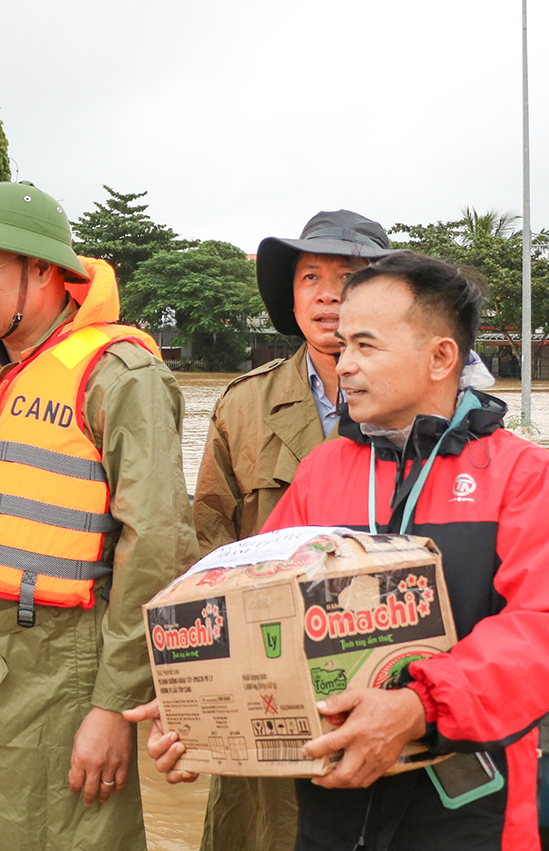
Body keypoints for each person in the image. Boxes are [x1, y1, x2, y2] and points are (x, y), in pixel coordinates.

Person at [134, 250, 549, 850]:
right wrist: (199, 704)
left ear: (440, 357)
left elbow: (547, 626)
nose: (343, 364)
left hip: (470, 803)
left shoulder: (523, 475)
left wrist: (419, 707)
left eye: (365, 346)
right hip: (331, 804)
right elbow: (255, 602)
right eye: (342, 345)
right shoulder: (323, 470)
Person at [0, 181, 198, 851]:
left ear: (44, 271)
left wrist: (113, 707)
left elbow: (157, 546)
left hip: (64, 669)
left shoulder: (122, 376)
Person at [191, 210, 389, 851]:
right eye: (310, 278)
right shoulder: (243, 405)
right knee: (261, 831)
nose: (327, 295)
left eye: (348, 277)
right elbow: (208, 547)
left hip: (389, 679)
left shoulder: (430, 404)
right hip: (267, 682)